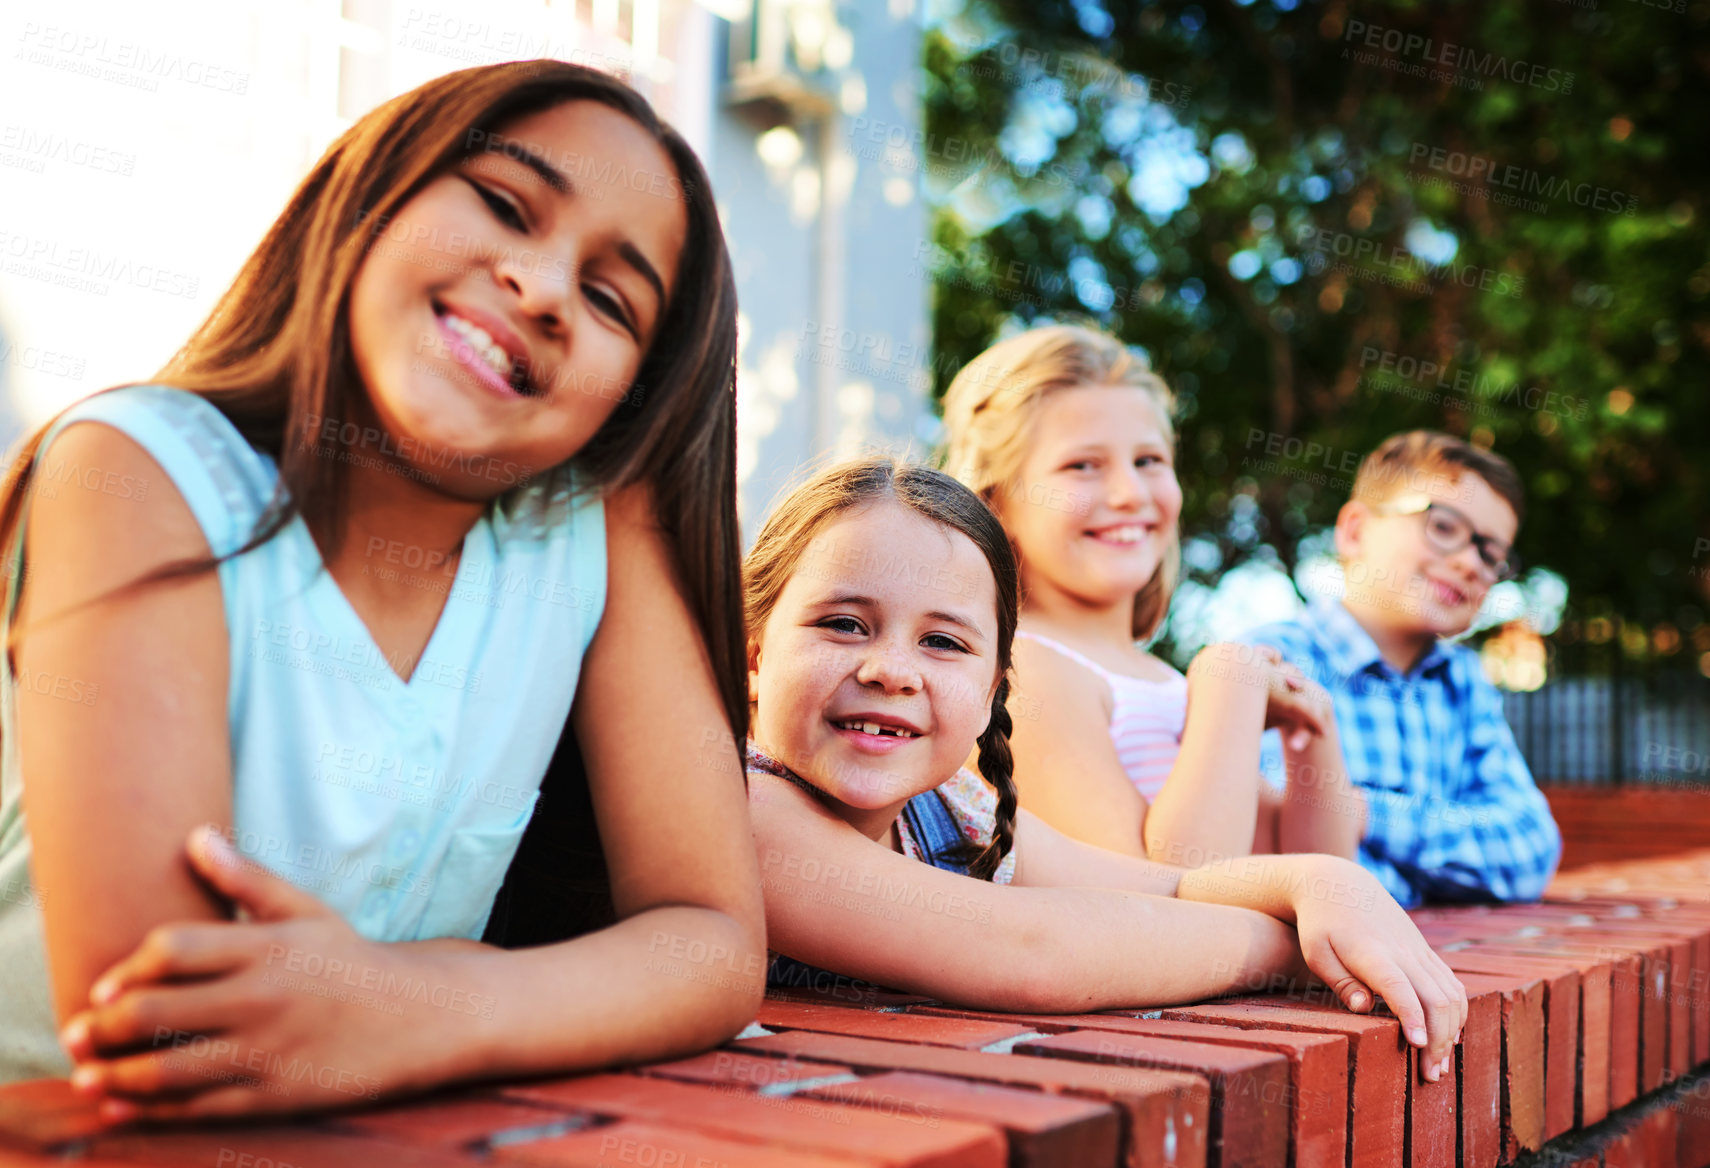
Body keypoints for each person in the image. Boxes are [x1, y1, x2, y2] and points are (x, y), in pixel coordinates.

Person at [0, 60, 766, 1118]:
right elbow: (167, 1016)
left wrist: (425, 1005)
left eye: (608, 298)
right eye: (503, 204)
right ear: (374, 197)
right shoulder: (133, 469)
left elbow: (714, 940)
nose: (542, 289)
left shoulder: (589, 534)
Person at [742, 457, 1465, 1081]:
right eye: (843, 624)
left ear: (994, 686)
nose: (892, 670)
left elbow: (1174, 885)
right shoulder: (740, 808)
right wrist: (1297, 947)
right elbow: (1029, 951)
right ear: (752, 652)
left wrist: (1322, 884)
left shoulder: (957, 807)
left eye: (942, 641)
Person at [940, 325, 1364, 866]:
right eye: (1082, 465)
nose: (1129, 494)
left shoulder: (1163, 682)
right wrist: (1228, 682)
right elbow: (1157, 896)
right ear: (997, 503)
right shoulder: (1024, 671)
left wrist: (1311, 728)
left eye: (1149, 461)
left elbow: (1317, 874)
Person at [1243, 431, 1562, 907]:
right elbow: (1281, 851)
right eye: (1445, 527)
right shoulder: (1272, 659)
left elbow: (1532, 847)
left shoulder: (1465, 682)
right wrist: (1432, 881)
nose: (1472, 563)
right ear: (1355, 531)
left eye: (1491, 554)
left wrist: (1364, 812)